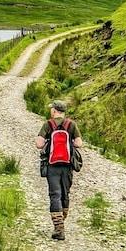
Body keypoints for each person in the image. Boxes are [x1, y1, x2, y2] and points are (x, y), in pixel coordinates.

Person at [35, 100, 83, 241]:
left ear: (54, 110)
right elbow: (79, 143)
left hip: (52, 165)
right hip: (67, 165)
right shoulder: (71, 124)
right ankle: (62, 221)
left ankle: (58, 229)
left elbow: (39, 144)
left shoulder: (48, 124)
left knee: (54, 194)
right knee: (65, 194)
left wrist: (46, 142)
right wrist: (72, 143)